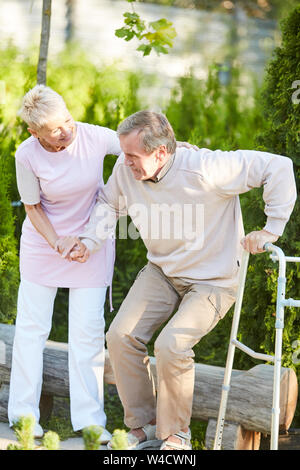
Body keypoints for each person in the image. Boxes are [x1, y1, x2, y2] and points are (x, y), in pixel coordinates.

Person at [66, 110, 297, 450]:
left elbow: (278, 166)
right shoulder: (125, 170)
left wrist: (271, 228)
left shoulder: (205, 168)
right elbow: (108, 204)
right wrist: (89, 241)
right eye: (123, 154)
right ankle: (145, 425)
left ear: (161, 153)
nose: (124, 162)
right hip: (163, 271)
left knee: (172, 345)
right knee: (120, 336)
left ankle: (177, 436)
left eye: (133, 156)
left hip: (214, 279)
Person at [8, 84, 122, 442]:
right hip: (46, 244)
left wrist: (182, 151)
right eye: (55, 130)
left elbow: (140, 146)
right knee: (31, 330)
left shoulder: (94, 137)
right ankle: (25, 418)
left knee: (87, 334)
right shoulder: (26, 155)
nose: (66, 131)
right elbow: (32, 208)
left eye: (67, 120)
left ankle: (90, 422)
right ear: (34, 132)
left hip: (92, 242)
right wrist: (57, 241)